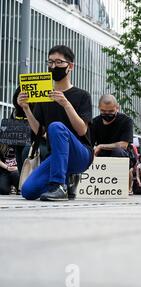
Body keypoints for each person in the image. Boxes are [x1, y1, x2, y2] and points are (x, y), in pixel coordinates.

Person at [17, 45, 93, 201]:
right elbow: (39, 131)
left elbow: (82, 130)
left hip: (81, 154)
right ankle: (67, 180)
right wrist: (26, 109)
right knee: (28, 191)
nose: (53, 66)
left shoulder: (82, 95)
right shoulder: (45, 96)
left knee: (56, 126)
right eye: (50, 62)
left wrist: (66, 104)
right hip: (57, 155)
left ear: (70, 66)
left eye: (59, 62)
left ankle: (59, 186)